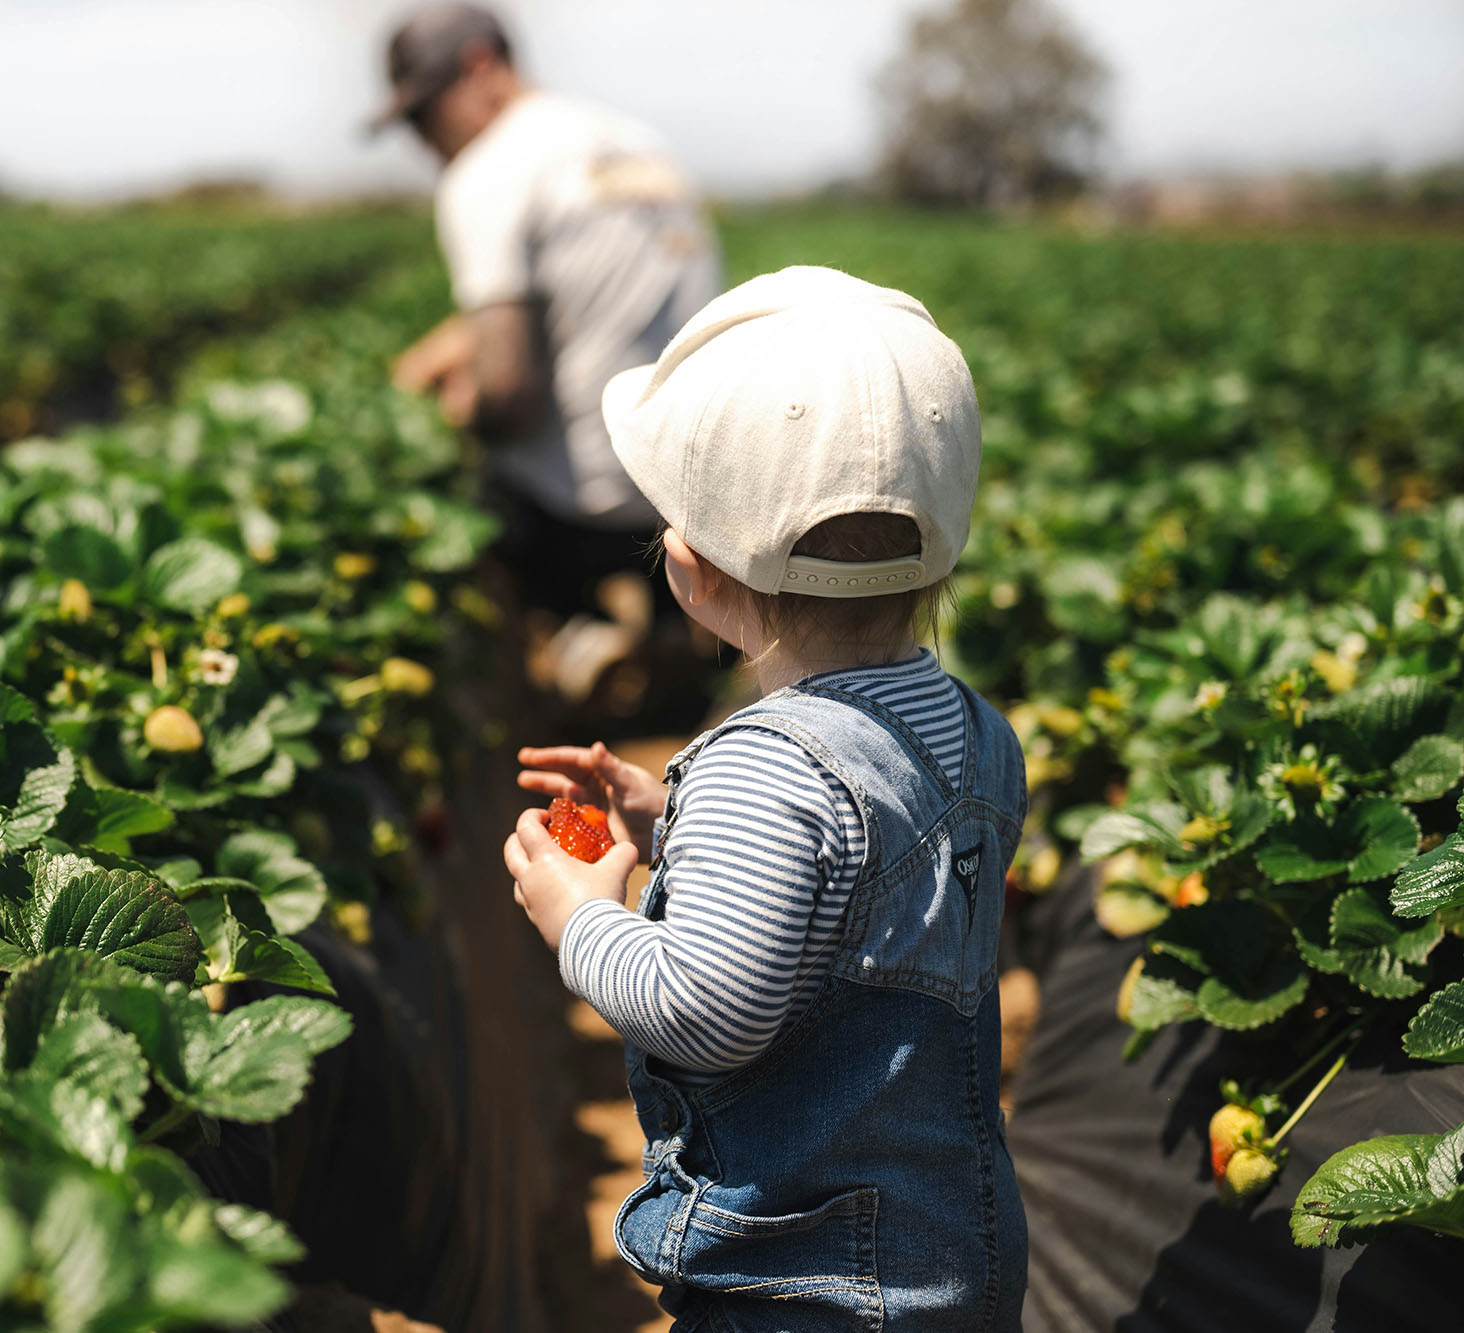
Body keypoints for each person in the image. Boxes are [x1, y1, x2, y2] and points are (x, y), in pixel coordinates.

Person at [502, 267, 1028, 1331]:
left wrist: (579, 916)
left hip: (802, 1282)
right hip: (947, 1254)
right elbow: (863, 885)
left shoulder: (769, 769)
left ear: (690, 573)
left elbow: (704, 1011)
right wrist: (677, 827)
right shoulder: (976, 731)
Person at [369, 4, 722, 714]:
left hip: (580, 507)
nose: (422, 141)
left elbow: (510, 393)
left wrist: (451, 410)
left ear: (477, 67)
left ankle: (564, 639)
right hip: (688, 486)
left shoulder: (489, 170)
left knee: (460, 473)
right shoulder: (632, 142)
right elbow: (594, 296)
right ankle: (670, 631)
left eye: (422, 115)